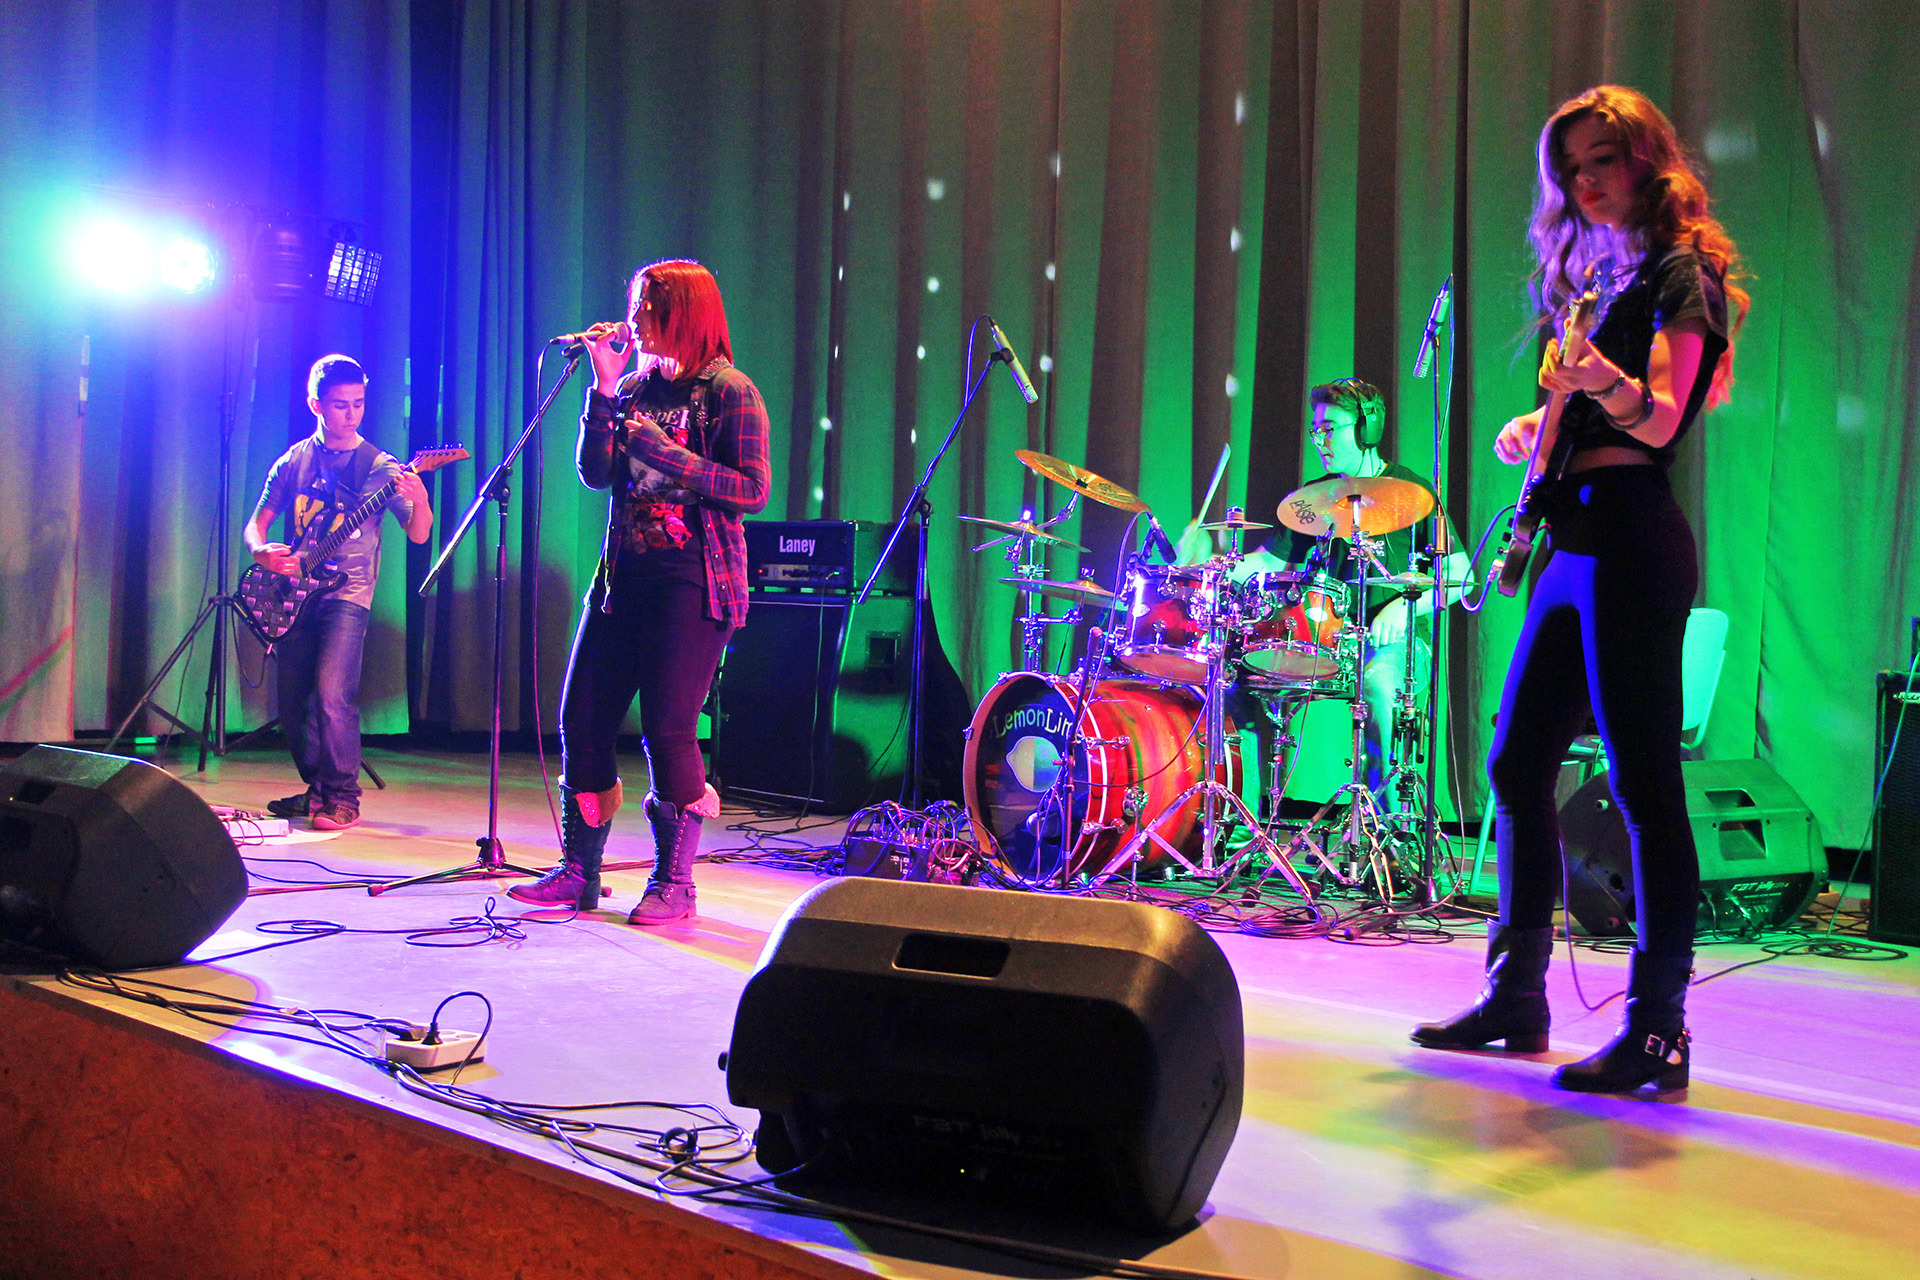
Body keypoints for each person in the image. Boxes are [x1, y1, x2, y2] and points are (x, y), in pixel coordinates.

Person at [1411, 86, 1747, 1093]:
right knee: (1517, 764)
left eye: (1603, 159)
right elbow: (1585, 410)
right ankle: (1516, 995)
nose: (1585, 182)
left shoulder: (1684, 273)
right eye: (1571, 169)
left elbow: (1660, 419)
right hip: (1572, 537)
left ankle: (1658, 1030)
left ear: (1647, 159)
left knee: (1645, 783)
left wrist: (1594, 379)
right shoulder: (1595, 278)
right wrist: (1536, 427)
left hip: (1633, 538)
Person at [509, 259, 771, 924]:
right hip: (622, 576)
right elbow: (596, 473)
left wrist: (665, 453)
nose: (634, 320)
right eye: (634, 308)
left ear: (683, 314)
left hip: (693, 580)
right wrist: (602, 389)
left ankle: (674, 884)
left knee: (668, 729)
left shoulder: (730, 391)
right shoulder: (632, 387)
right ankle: (579, 871)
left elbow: (752, 489)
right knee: (582, 719)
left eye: (647, 309)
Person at [1179, 379, 1471, 812]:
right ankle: (1241, 819)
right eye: (1316, 431)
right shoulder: (1313, 499)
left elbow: (1461, 578)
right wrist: (1207, 561)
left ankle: (1387, 828)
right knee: (1234, 677)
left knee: (1378, 684)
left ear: (1367, 428)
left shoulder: (1414, 493)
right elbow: (1267, 562)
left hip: (1393, 645)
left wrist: (1404, 608)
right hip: (1323, 638)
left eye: (1330, 429)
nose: (1320, 441)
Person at [249, 355, 433, 830]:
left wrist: (421, 499)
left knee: (333, 692)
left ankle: (343, 798)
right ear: (316, 405)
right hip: (294, 592)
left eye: (358, 404)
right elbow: (257, 524)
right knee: (294, 704)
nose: (351, 415)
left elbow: (418, 534)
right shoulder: (294, 460)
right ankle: (318, 790)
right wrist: (260, 551)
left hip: (348, 594)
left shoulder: (379, 466)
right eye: (339, 405)